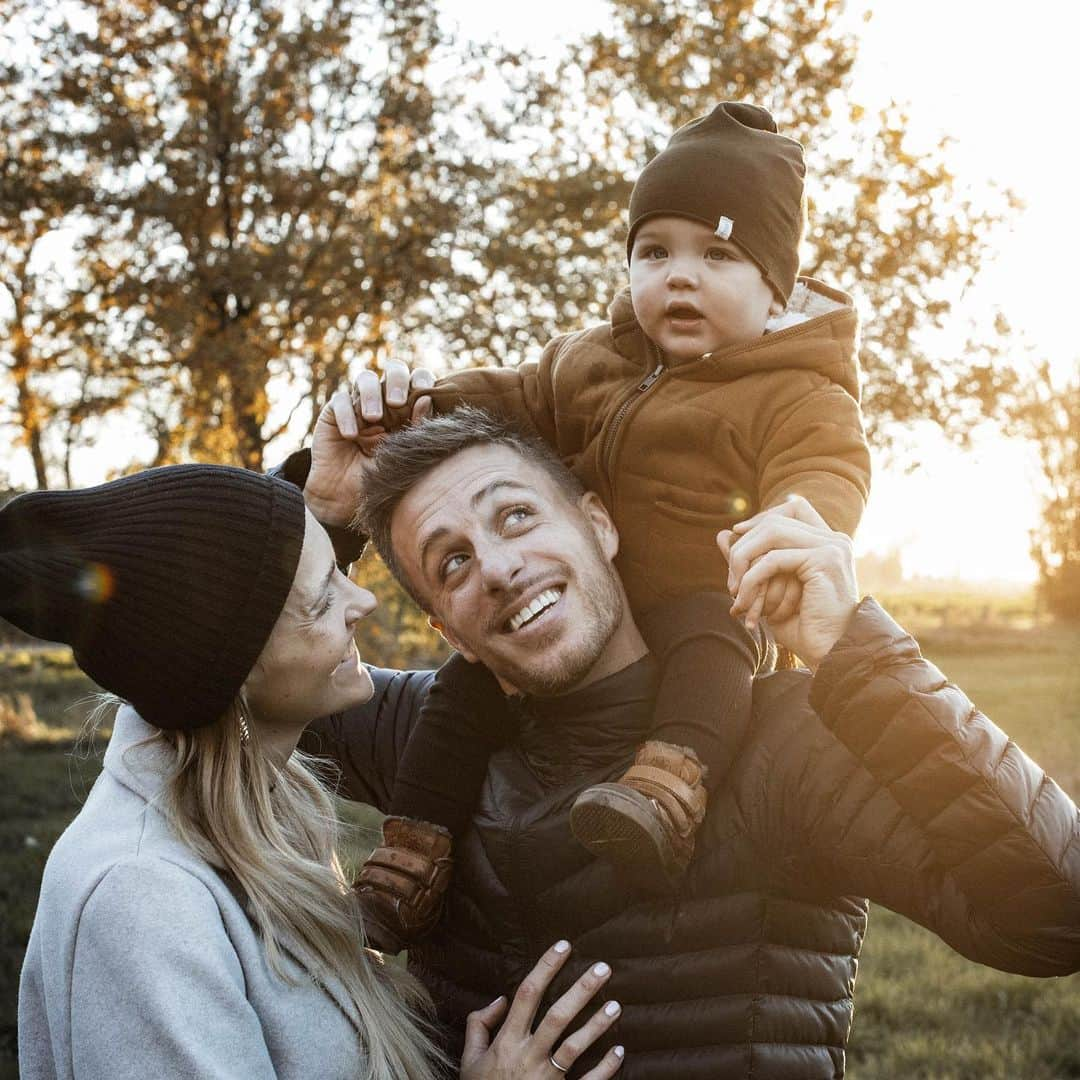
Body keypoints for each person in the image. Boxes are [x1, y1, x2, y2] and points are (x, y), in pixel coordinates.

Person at [289, 407, 1080, 1079]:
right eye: (452, 562)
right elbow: (216, 678)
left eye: (517, 516)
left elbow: (1052, 915)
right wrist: (321, 513)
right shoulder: (421, 738)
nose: (496, 568)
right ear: (444, 627)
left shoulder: (788, 738)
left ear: (599, 525)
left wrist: (858, 651)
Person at [316, 101, 872, 914]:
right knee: (461, 695)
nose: (679, 275)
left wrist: (791, 531)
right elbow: (518, 395)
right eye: (654, 251)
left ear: (773, 289)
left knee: (713, 655)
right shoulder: (593, 359)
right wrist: (429, 404)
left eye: (717, 253)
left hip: (712, 593)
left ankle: (664, 793)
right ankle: (412, 852)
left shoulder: (797, 389)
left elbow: (826, 470)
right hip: (584, 595)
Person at [5, 464, 628, 1080]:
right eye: (324, 597)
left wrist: (327, 501)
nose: (365, 600)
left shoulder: (263, 797)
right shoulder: (142, 905)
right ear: (237, 669)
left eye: (337, 567)